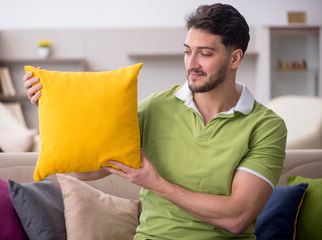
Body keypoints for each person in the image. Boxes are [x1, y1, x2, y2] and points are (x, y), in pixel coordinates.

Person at [23, 3, 287, 239]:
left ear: (235, 58)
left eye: (204, 54)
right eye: (187, 51)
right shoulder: (155, 107)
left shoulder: (265, 127)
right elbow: (90, 170)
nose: (191, 63)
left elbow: (236, 217)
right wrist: (54, 106)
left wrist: (156, 183)